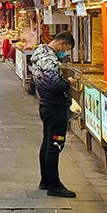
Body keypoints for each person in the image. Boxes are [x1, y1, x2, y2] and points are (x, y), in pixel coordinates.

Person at [30, 31, 76, 197]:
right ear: (62, 43)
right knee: (55, 145)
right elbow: (55, 85)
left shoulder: (39, 52)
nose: (66, 53)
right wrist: (68, 82)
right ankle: (54, 184)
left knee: (47, 142)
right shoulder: (49, 59)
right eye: (67, 49)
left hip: (46, 105)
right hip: (55, 107)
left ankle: (46, 180)